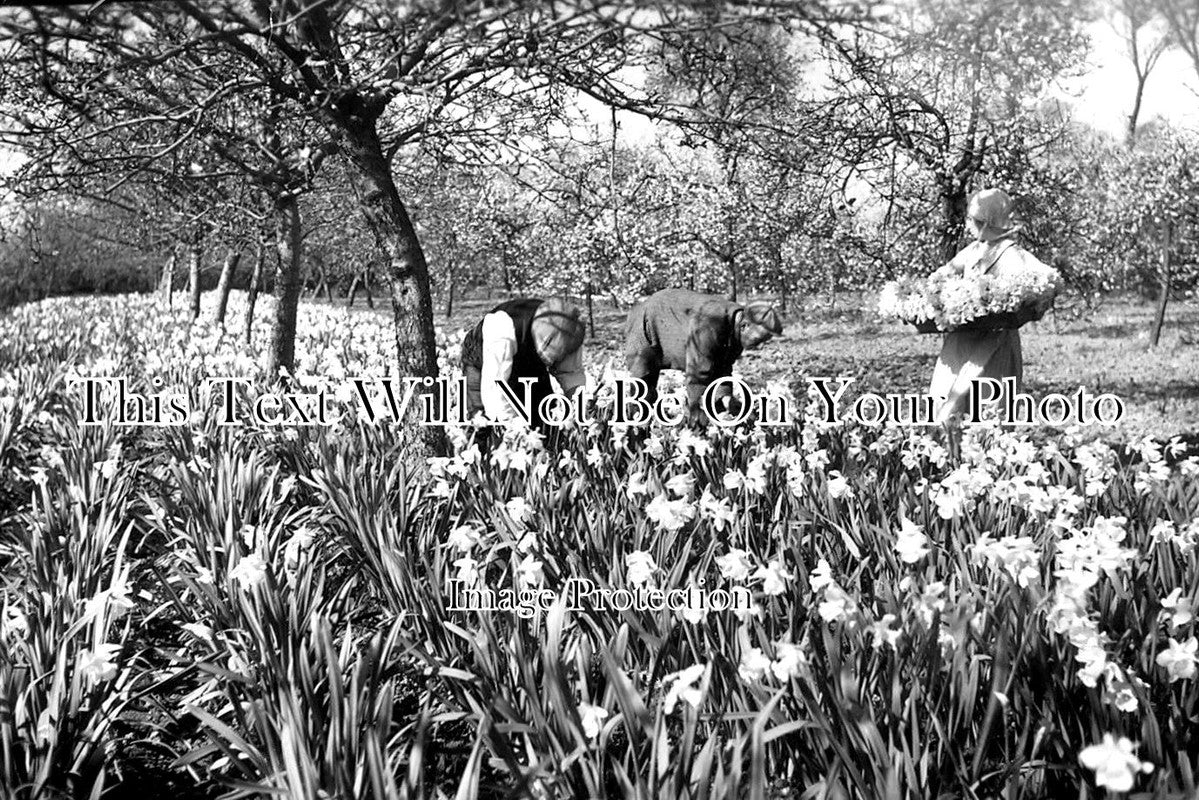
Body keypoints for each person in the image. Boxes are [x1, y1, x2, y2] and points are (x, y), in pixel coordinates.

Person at [929, 188, 1049, 426]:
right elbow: (941, 276)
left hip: (995, 341)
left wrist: (1007, 299)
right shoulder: (973, 250)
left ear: (985, 221)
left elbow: (1043, 281)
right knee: (945, 398)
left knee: (988, 406)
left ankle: (986, 448)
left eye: (971, 219)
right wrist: (943, 294)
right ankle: (950, 447)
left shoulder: (1010, 253)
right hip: (962, 338)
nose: (967, 224)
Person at [624, 288, 783, 425]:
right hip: (648, 322)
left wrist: (725, 397)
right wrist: (699, 414)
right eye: (758, 340)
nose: (760, 346)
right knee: (642, 386)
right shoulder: (710, 323)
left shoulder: (737, 325)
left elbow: (722, 366)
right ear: (745, 326)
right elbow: (698, 374)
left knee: (714, 408)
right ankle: (637, 430)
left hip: (668, 319)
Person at [460, 297, 586, 434]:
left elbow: (571, 375)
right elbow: (495, 391)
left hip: (530, 360)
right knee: (481, 422)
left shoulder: (571, 332)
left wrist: (576, 409)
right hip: (481, 360)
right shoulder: (503, 327)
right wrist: (516, 429)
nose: (553, 361)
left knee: (543, 420)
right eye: (550, 353)